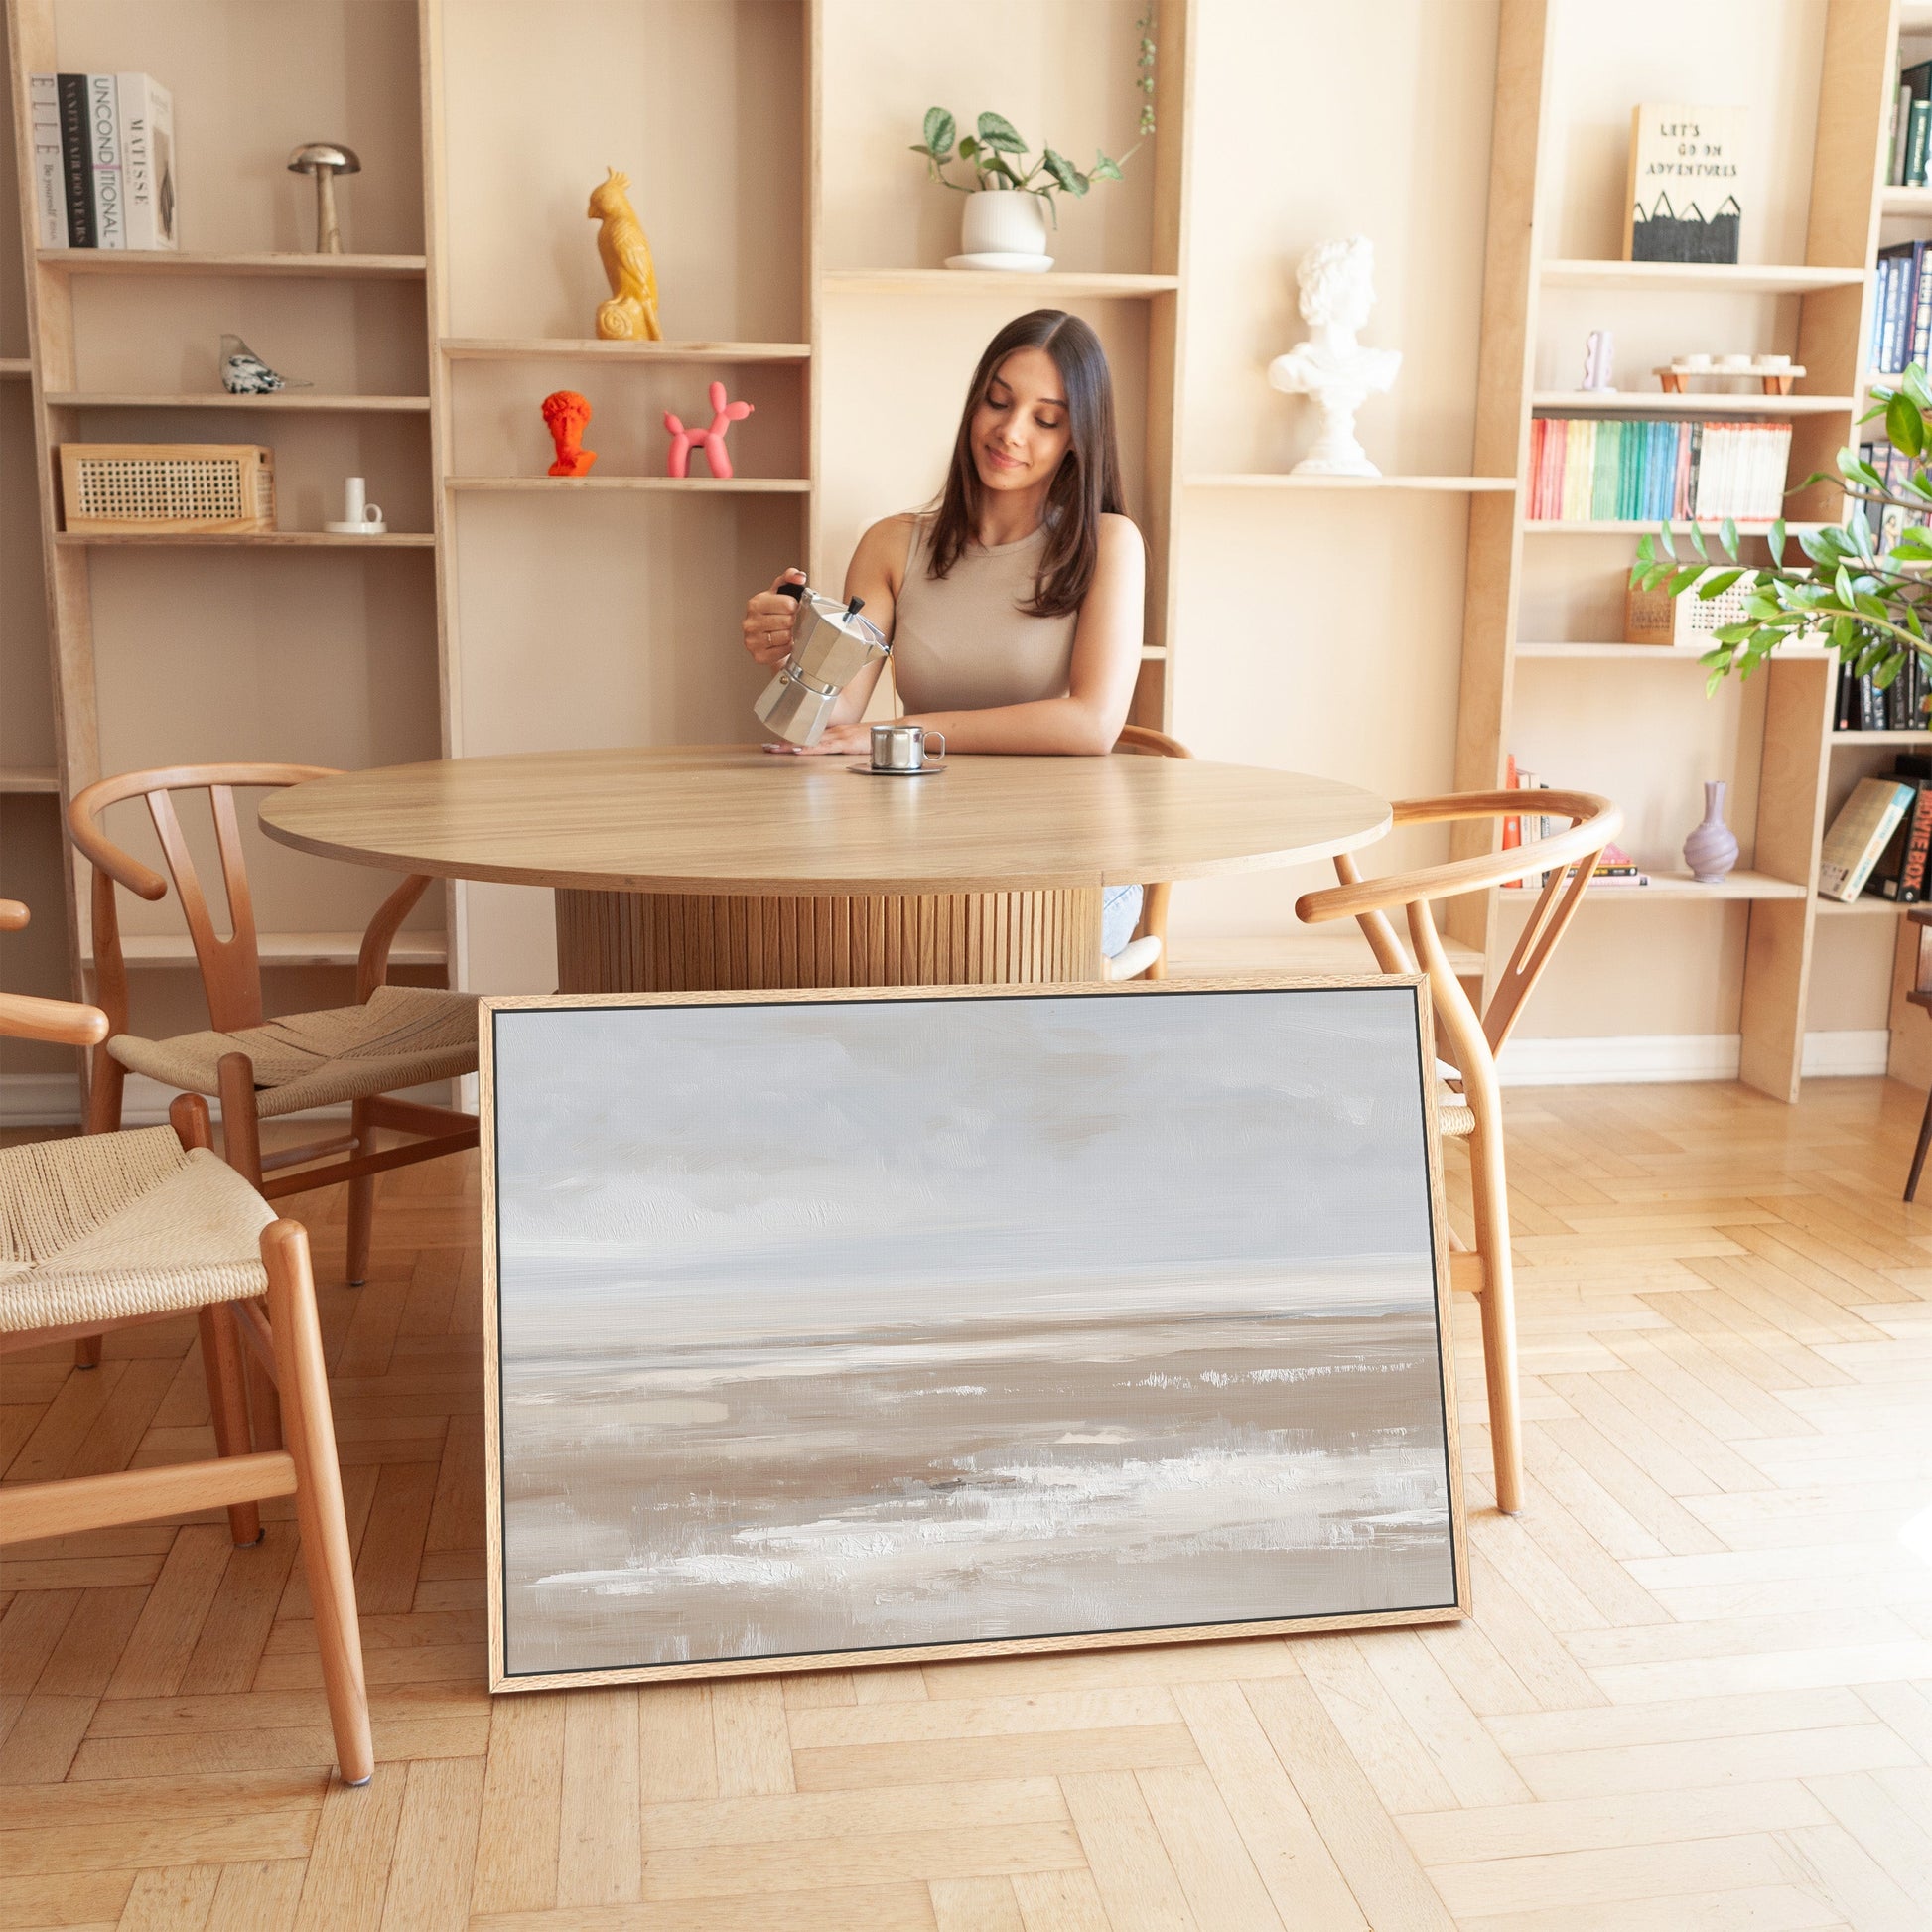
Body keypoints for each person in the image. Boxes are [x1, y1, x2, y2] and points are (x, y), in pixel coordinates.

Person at [740, 308, 1148, 953]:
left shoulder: (1110, 544)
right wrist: (795, 655)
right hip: (926, 857)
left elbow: (1092, 724)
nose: (1011, 432)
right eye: (998, 402)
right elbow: (830, 722)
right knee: (807, 935)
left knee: (940, 949)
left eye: (1045, 418)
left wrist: (902, 729)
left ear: (1078, 436)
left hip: (1070, 866)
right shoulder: (892, 545)